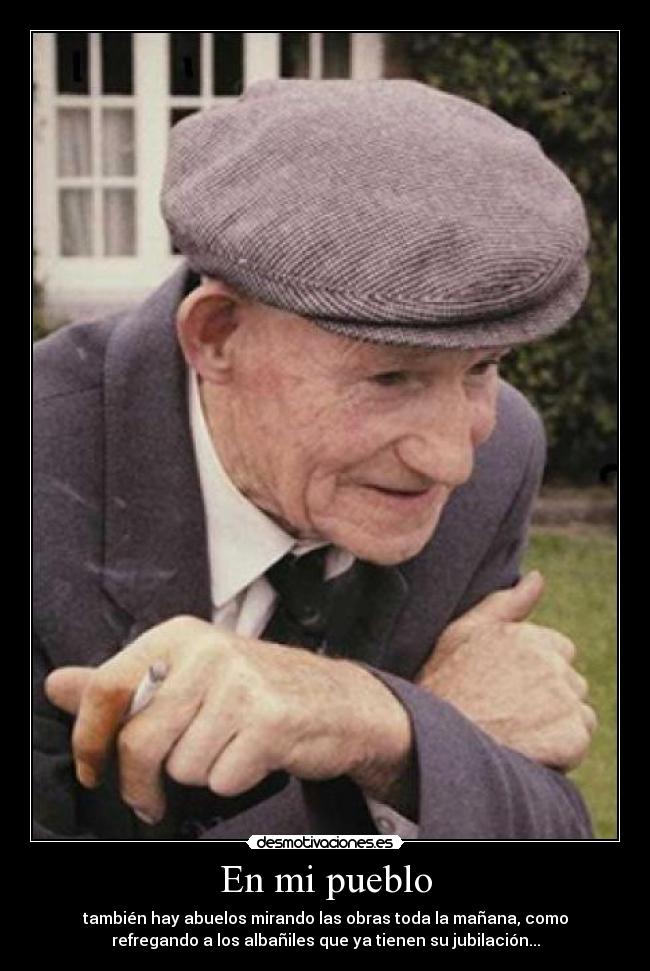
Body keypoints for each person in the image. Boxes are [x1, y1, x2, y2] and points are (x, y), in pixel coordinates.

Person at [34, 79, 597, 840]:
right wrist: (394, 732)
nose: (450, 462)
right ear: (217, 335)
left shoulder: (499, 455)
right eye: (390, 376)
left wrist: (372, 720)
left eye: (483, 367)